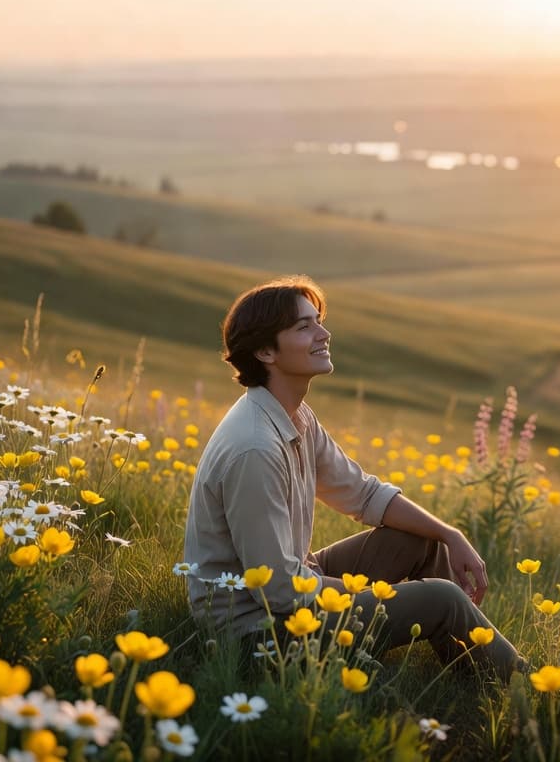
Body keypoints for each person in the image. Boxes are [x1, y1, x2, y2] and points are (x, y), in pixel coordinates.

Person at [183, 275, 523, 678]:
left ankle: (476, 674)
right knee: (441, 599)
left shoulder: (293, 415)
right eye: (304, 327)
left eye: (319, 320)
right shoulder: (255, 448)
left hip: (292, 587)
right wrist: (375, 594)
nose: (324, 333)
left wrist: (449, 534)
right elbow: (277, 591)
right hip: (258, 633)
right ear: (264, 351)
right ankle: (525, 690)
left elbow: (364, 495)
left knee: (420, 539)